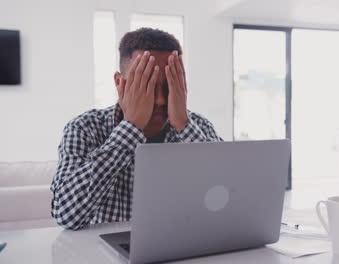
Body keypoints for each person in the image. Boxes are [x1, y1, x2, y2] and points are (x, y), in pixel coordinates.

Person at [50, 28, 222, 230]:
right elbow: (66, 214)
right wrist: (131, 127)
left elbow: (231, 200)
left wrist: (184, 126)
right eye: (145, 84)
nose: (159, 100)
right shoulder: (85, 128)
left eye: (168, 88)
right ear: (119, 82)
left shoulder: (199, 127)